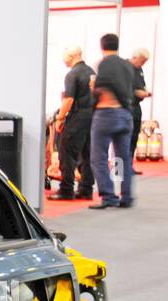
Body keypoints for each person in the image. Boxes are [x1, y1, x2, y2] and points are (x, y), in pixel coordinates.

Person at [89, 33, 137, 209]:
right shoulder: (127, 64)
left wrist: (93, 90)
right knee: (123, 158)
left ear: (102, 46)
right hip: (125, 115)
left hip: (106, 114)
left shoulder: (103, 64)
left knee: (98, 157)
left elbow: (99, 88)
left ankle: (109, 196)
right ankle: (126, 196)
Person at [52, 45, 94, 200]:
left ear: (71, 56)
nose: (64, 61)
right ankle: (86, 188)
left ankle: (66, 189)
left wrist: (60, 118)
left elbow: (68, 99)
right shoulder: (91, 72)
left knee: (67, 152)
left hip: (77, 117)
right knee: (87, 153)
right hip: (92, 117)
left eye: (64, 57)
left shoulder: (72, 74)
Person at [129, 48, 152, 173]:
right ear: (135, 57)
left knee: (134, 138)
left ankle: (129, 166)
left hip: (136, 108)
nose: (143, 64)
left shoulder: (139, 70)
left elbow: (141, 86)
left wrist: (145, 92)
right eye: (142, 61)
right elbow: (128, 90)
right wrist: (140, 93)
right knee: (123, 140)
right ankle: (119, 169)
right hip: (126, 108)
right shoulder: (125, 68)